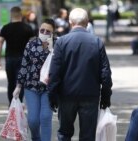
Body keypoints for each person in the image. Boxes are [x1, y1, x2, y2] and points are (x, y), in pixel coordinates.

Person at [48, 8, 113, 141]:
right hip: (90, 95)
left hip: (66, 95)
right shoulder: (97, 42)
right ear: (87, 22)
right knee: (88, 136)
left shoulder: (61, 42)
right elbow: (105, 73)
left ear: (70, 22)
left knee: (64, 134)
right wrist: (106, 97)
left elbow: (54, 73)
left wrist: (52, 96)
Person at [13, 18, 56, 141]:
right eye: (42, 30)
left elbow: (61, 65)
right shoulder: (31, 44)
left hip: (49, 88)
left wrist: (52, 50)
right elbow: (24, 65)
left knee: (46, 118)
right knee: (33, 120)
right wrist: (18, 86)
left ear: (53, 33)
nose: (44, 32)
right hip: (31, 86)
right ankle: (36, 137)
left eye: (48, 31)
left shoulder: (58, 45)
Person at [0, 6, 34, 106]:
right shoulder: (28, 28)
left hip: (10, 59)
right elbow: (34, 45)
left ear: (11, 15)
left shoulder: (5, 28)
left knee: (11, 83)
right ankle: (18, 104)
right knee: (20, 83)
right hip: (24, 60)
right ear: (21, 15)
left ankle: (11, 105)